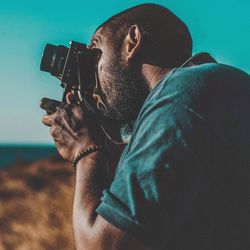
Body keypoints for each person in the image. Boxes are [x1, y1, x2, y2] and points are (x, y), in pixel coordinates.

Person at [41, 4, 250, 250]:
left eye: (94, 52)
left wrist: (85, 150)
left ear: (133, 41)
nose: (92, 78)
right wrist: (101, 128)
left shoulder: (182, 93)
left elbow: (103, 245)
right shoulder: (206, 92)